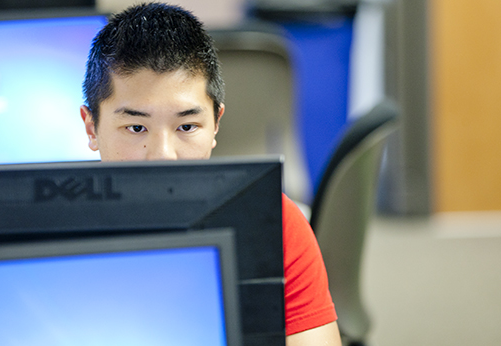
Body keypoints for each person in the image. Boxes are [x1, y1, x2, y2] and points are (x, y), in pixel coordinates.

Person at [79, 3, 341, 345]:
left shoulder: (274, 224)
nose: (163, 156)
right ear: (92, 127)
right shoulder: (39, 228)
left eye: (186, 126)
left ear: (215, 124)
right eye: (136, 128)